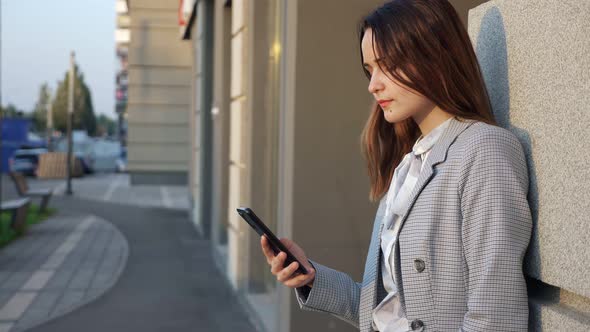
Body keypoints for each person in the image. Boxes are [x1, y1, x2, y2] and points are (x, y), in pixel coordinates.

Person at [259, 1, 533, 331]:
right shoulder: (409, 165)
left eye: (386, 65)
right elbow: (386, 311)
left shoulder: (484, 151)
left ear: (433, 55)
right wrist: (310, 277)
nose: (373, 84)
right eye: (369, 70)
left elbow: (496, 316)